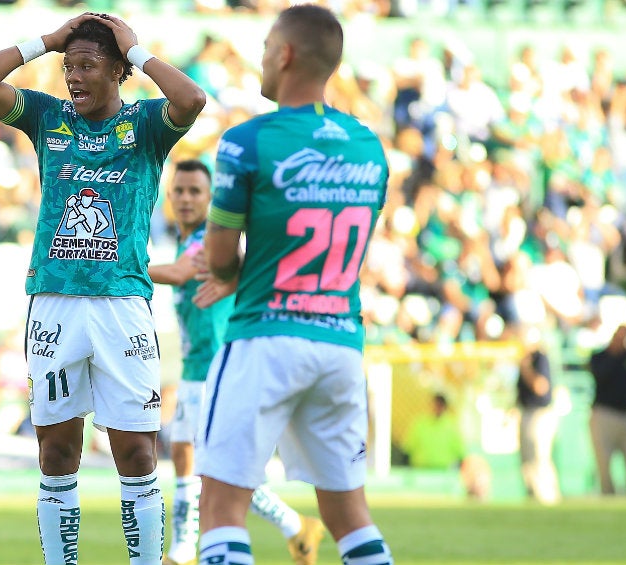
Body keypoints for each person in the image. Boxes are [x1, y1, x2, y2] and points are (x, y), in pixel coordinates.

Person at [0, 12, 205, 565]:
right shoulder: (47, 117)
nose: (73, 76)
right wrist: (46, 42)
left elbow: (191, 99)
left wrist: (137, 50)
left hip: (123, 304)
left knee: (137, 453)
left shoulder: (146, 123)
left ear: (117, 71)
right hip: (55, 303)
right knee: (56, 452)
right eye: (68, 67)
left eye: (88, 65)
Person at [193, 5, 394, 564]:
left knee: (221, 507)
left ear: (284, 55)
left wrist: (230, 276)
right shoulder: (368, 145)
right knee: (349, 515)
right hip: (341, 343)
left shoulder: (247, 141)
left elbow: (219, 256)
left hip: (266, 338)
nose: (261, 59)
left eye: (264, 48)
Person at [150, 159, 325, 565]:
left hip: (216, 369)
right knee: (184, 456)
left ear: (210, 198)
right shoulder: (187, 240)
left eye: (195, 191)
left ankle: (186, 552)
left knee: (210, 468)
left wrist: (120, 268)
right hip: (195, 367)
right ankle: (288, 528)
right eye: (179, 191)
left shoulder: (207, 242)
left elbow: (179, 274)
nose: (186, 199)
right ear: (169, 197)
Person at [587, 324, 626, 495]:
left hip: (625, 414)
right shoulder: (600, 356)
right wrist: (616, 354)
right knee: (604, 461)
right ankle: (608, 495)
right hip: (604, 413)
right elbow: (600, 375)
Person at [515, 326, 560, 504]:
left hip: (540, 414)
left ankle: (547, 497)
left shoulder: (539, 358)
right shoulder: (526, 359)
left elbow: (540, 387)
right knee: (527, 460)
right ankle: (533, 496)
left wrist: (526, 368)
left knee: (540, 457)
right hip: (527, 412)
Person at [401, 393, 465, 470]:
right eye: (436, 405)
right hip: (420, 470)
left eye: (440, 405)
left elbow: (460, 451)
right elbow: (408, 447)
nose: (437, 408)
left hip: (443, 471)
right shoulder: (420, 424)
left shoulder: (451, 426)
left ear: (444, 407)